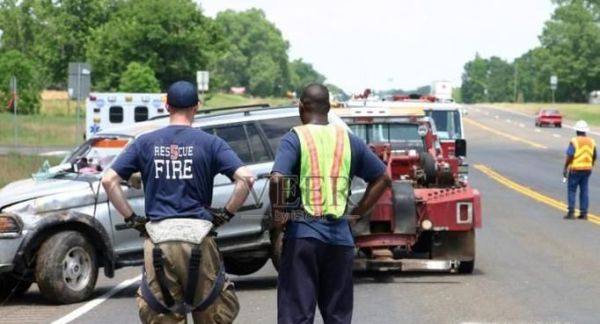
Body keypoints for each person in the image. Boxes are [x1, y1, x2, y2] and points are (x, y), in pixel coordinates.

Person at [102, 80, 254, 323]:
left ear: (166, 105)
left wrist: (133, 219)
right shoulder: (211, 143)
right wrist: (225, 215)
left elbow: (109, 181)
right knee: (211, 313)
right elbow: (245, 179)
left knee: (163, 314)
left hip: (159, 239)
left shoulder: (144, 143)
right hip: (199, 237)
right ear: (197, 106)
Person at [270, 84, 391, 324]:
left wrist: (279, 218)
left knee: (297, 314)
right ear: (329, 107)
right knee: (337, 316)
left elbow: (277, 178)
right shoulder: (348, 139)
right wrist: (356, 214)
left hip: (303, 237)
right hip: (340, 240)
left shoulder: (295, 138)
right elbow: (383, 178)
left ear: (301, 106)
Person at [563, 120, 596, 220]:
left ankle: (571, 212)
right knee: (584, 190)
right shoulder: (591, 141)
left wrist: (565, 167)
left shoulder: (574, 141)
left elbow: (570, 155)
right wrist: (591, 164)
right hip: (587, 169)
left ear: (577, 130)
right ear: (585, 131)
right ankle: (584, 213)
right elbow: (594, 155)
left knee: (572, 190)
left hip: (575, 169)